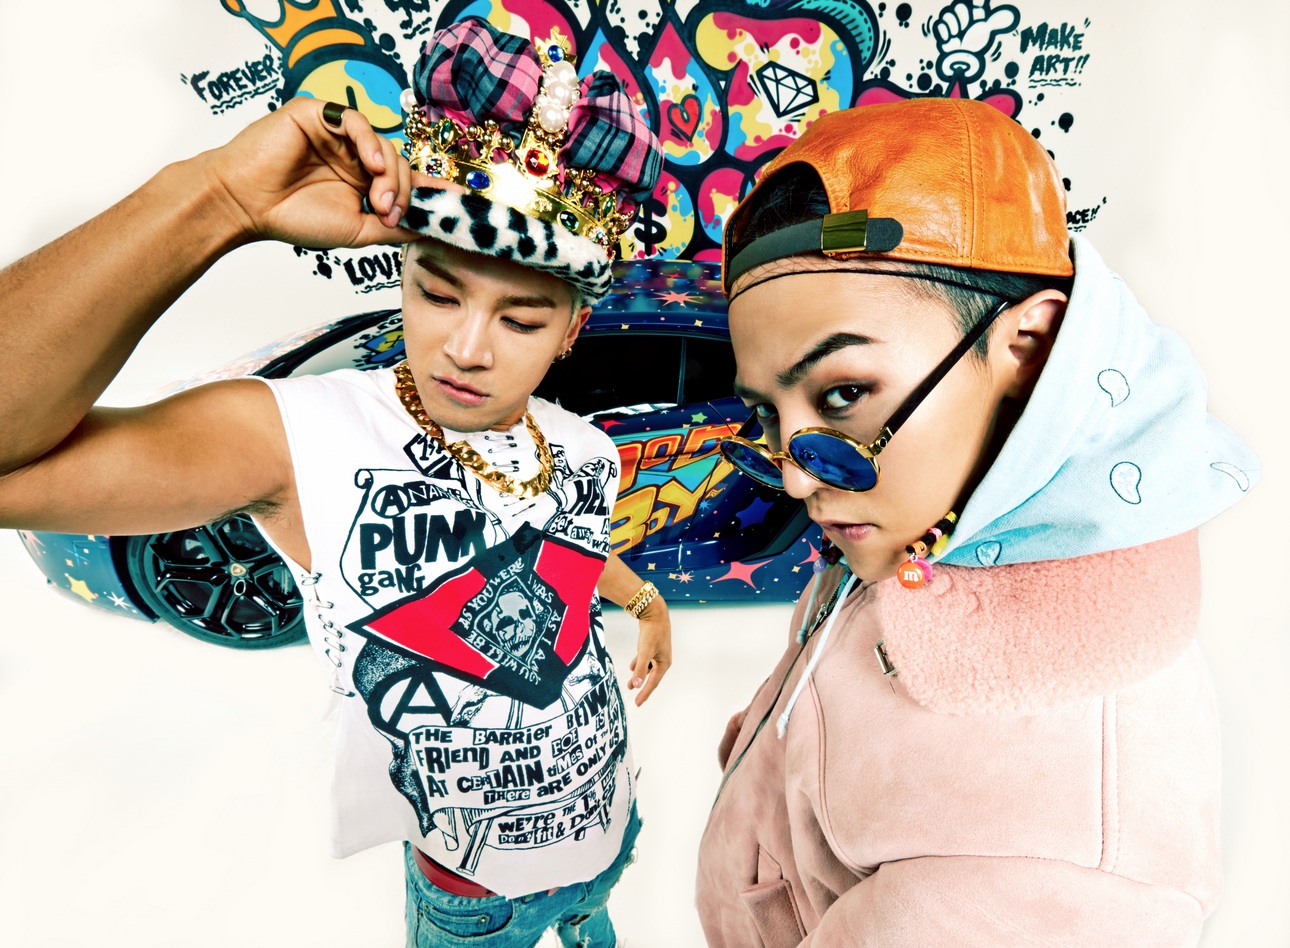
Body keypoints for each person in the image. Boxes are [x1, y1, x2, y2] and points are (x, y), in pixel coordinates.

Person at [0, 18, 669, 948]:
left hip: (607, 828)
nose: (466, 348)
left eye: (520, 321)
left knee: (595, 915)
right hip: (471, 894)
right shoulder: (305, 437)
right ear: (404, 273)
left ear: (570, 333)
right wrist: (216, 198)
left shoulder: (585, 448)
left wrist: (645, 604)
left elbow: (563, 559)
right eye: (438, 292)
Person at [695, 96, 1257, 945]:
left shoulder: (1051, 862)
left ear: (1029, 346)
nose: (795, 477)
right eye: (770, 417)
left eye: (843, 394)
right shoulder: (935, 514)